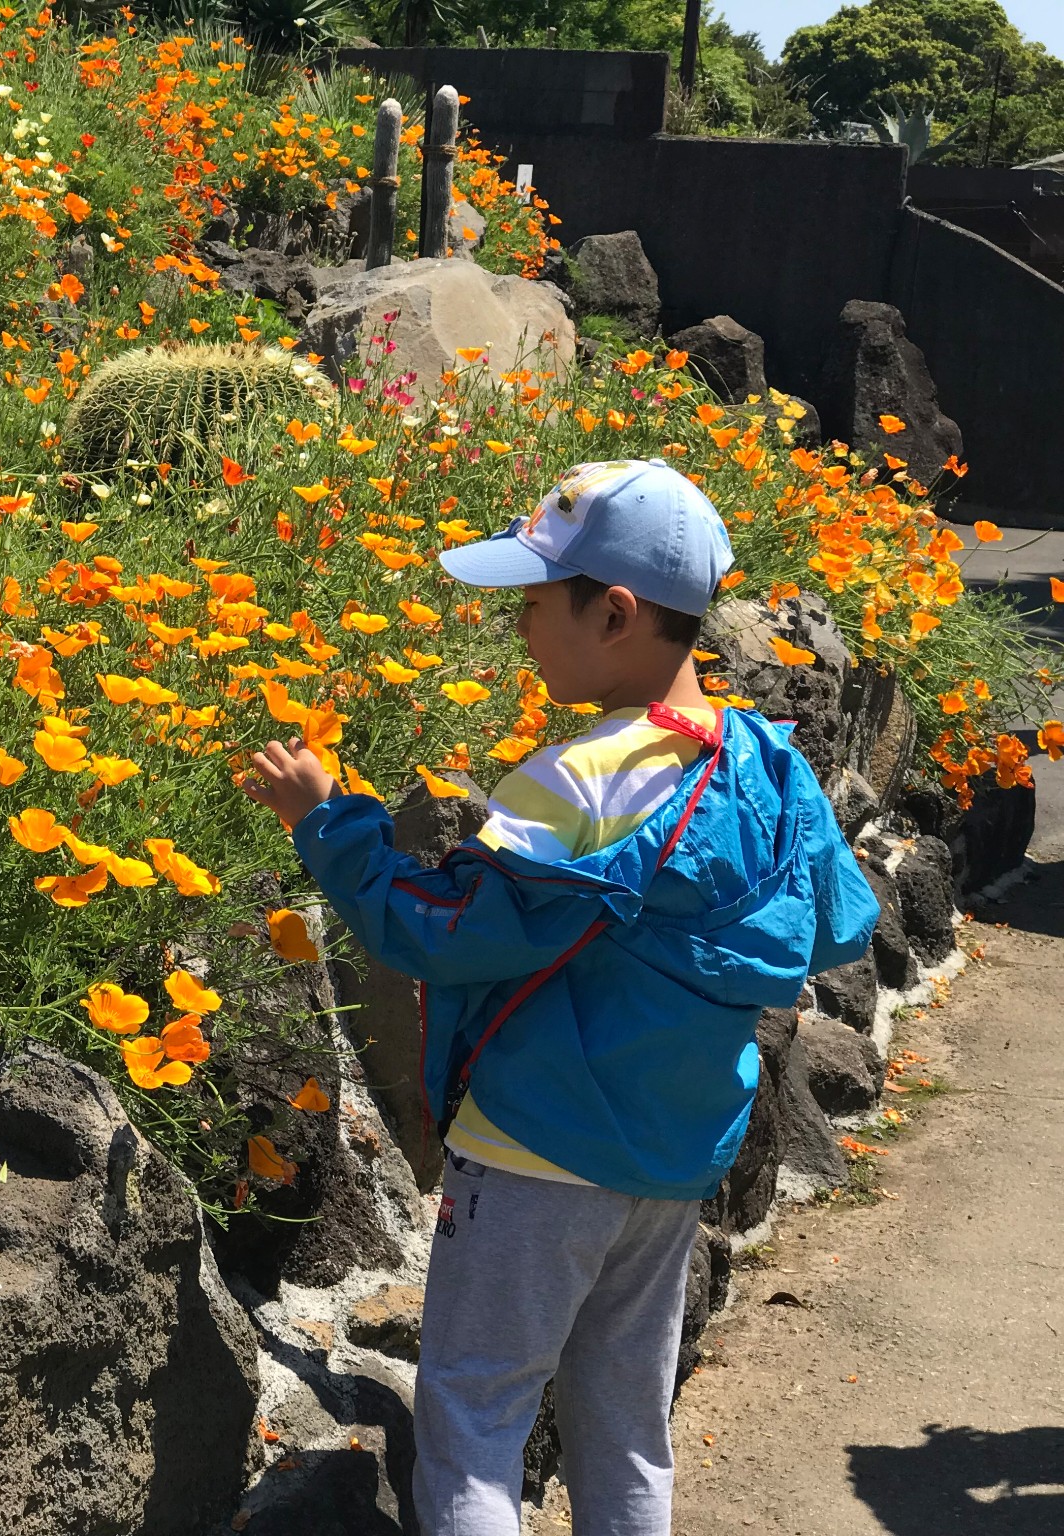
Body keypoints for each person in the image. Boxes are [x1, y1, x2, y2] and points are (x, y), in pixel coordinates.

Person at [243, 458, 878, 1536]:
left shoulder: (574, 782)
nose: (519, 629)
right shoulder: (765, 764)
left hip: (536, 1152)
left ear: (615, 613)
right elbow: (839, 918)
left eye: (533, 605)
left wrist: (326, 820)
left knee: (475, 1416)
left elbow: (433, 932)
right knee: (624, 1421)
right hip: (672, 1152)